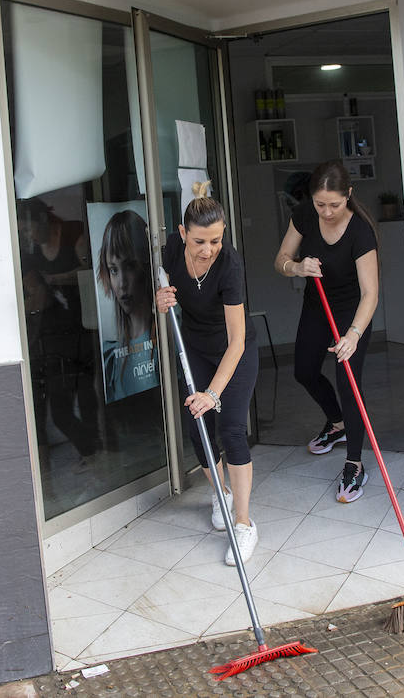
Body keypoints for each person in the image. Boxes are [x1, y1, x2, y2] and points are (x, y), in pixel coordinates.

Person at [155, 181, 260, 566]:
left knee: (230, 427)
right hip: (197, 346)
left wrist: (213, 394)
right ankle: (221, 492)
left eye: (215, 240)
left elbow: (236, 342)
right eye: (199, 241)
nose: (207, 250)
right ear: (183, 234)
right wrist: (160, 297)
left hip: (236, 349)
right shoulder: (169, 250)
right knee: (196, 425)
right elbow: (161, 286)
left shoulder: (229, 264)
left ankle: (244, 524)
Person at [273, 160, 380, 503]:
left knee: (348, 380)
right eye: (321, 204)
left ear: (348, 195)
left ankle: (355, 464)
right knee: (304, 370)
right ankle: (337, 423)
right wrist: (297, 267)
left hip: (352, 314)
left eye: (334, 204)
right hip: (318, 306)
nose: (327, 212)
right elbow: (281, 259)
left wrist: (353, 335)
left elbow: (370, 294)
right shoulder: (305, 215)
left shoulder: (360, 232)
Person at [18, 199, 100, 469]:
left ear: (44, 220)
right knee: (64, 401)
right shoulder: (33, 251)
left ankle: (94, 449)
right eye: (23, 232)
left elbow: (92, 272)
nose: (28, 236)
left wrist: (57, 280)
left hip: (86, 320)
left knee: (86, 389)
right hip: (57, 331)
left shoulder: (73, 234)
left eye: (29, 229)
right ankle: (91, 448)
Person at [96, 209, 158, 402]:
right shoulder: (110, 359)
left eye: (130, 266)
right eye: (113, 270)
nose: (122, 283)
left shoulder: (169, 335)